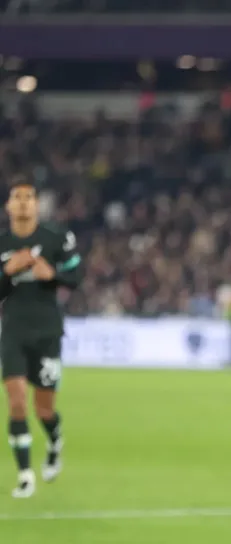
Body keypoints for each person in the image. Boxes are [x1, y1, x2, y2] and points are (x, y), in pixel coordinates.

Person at [0, 178, 82, 498]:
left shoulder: (57, 238)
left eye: (29, 197)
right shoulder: (2, 243)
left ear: (37, 205)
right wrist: (7, 272)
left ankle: (54, 439)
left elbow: (76, 276)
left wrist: (53, 275)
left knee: (44, 410)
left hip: (47, 331)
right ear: (8, 206)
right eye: (17, 197)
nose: (23, 201)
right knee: (17, 401)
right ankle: (25, 476)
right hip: (13, 332)